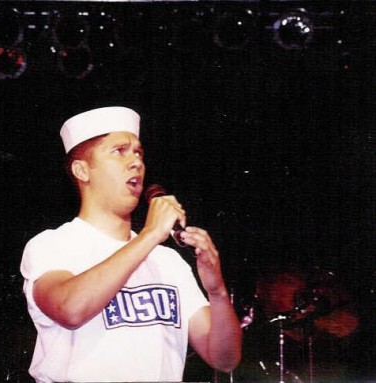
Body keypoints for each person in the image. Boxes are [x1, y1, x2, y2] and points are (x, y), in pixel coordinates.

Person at [20, 106, 242, 382]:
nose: (136, 161)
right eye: (119, 151)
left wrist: (217, 291)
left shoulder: (168, 262)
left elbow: (224, 358)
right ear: (82, 170)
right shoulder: (53, 245)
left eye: (138, 152)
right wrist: (150, 235)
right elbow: (70, 309)